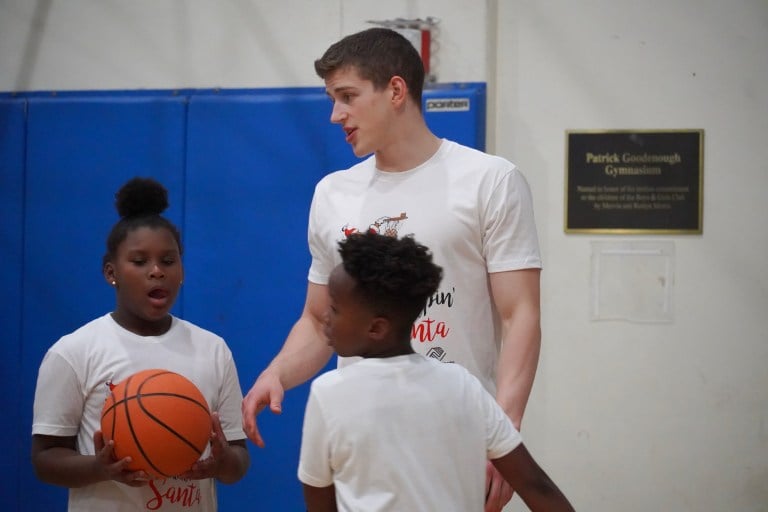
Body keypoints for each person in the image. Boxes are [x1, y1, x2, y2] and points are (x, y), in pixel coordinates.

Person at [242, 27, 542, 511]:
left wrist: (505, 434)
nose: (335, 114)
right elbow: (319, 320)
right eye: (333, 99)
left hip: (456, 434)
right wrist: (277, 373)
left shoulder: (490, 180)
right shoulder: (332, 194)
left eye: (347, 97)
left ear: (396, 91)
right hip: (362, 433)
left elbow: (520, 315)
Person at [298, 232, 572, 512]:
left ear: (377, 328)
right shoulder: (463, 385)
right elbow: (536, 486)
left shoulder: (329, 393)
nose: (326, 317)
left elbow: (319, 501)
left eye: (334, 308)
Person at [31, 177, 250, 511]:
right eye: (139, 261)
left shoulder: (213, 349)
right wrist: (98, 467)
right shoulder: (73, 351)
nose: (156, 271)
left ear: (182, 270)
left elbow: (238, 460)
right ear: (110, 272)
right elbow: (44, 459)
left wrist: (221, 463)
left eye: (168, 260)